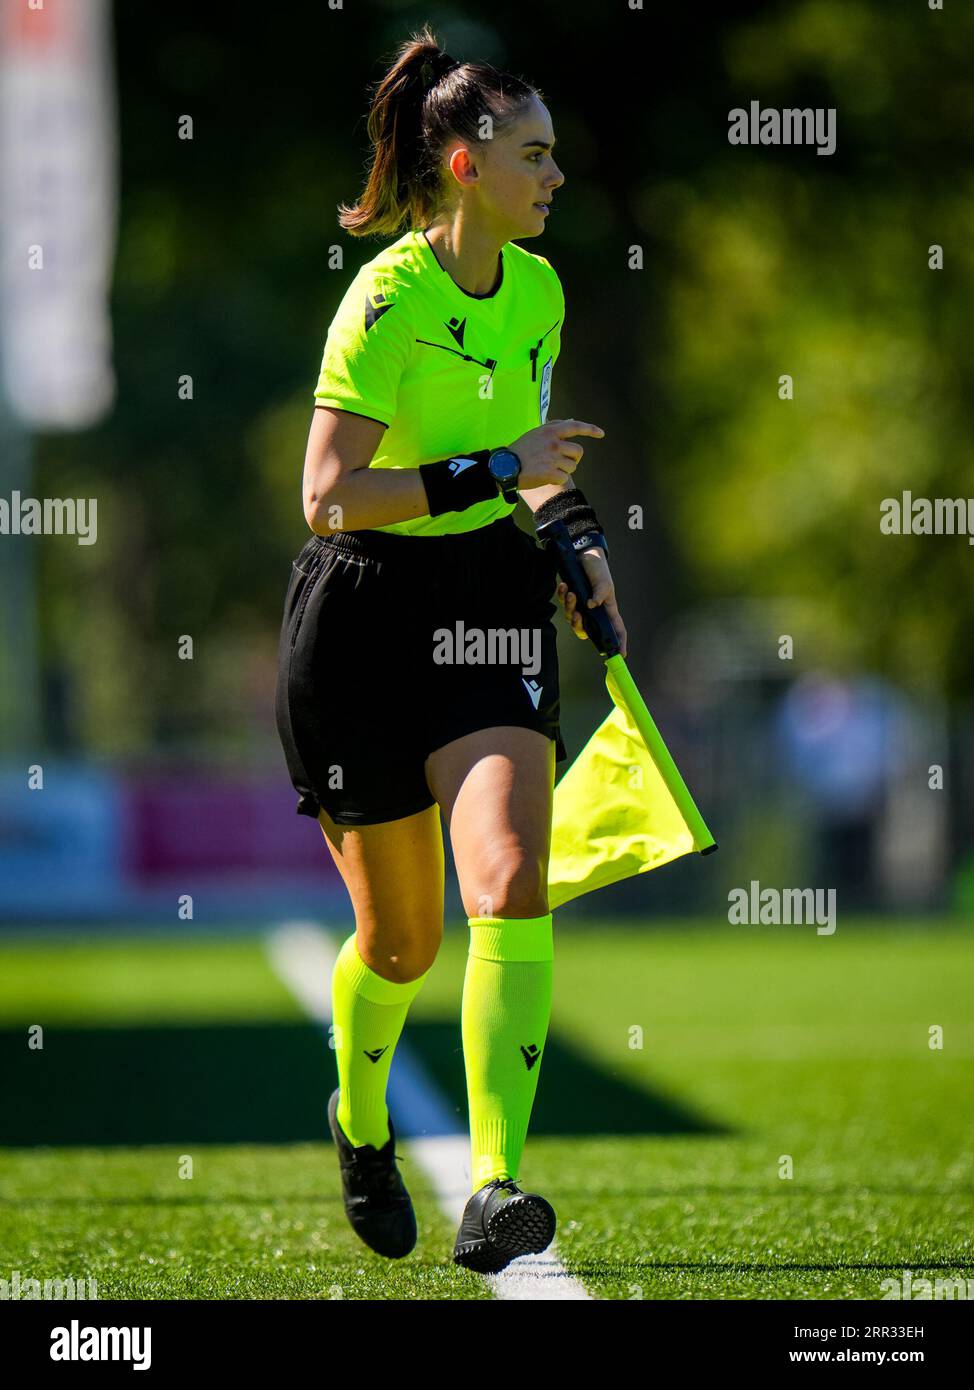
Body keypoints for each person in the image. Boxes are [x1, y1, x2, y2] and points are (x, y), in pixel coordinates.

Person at [274, 24, 627, 1274]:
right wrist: (494, 468)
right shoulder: (384, 298)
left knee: (510, 877)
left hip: (488, 600)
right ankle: (359, 1120)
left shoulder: (537, 291)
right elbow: (328, 496)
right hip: (362, 615)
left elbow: (534, 472)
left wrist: (576, 553)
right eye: (533, 156)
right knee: (403, 945)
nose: (555, 178)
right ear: (466, 166)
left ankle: (492, 1185)